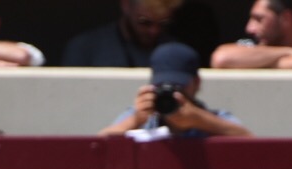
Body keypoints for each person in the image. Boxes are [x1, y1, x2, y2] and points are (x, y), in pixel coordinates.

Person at [99, 41, 250, 137]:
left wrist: (200, 120)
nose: (172, 94)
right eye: (162, 86)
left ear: (196, 83)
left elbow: (249, 140)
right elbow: (99, 144)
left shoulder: (216, 118)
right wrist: (135, 121)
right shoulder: (141, 116)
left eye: (179, 87)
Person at [63, 0, 180, 68]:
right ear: (126, 5)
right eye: (144, 22)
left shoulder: (175, 50)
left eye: (163, 24)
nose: (154, 31)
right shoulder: (85, 47)